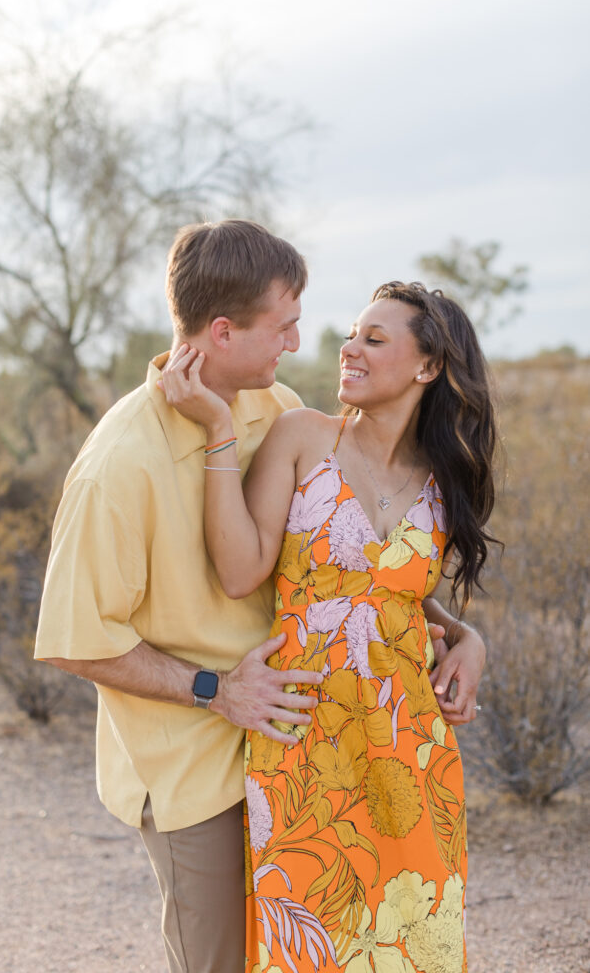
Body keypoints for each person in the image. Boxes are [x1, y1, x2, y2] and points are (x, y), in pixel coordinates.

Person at [160, 280, 495, 973]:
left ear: (428, 367)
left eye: (374, 339)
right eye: (351, 334)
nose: (349, 348)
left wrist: (471, 638)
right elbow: (240, 571)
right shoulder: (303, 436)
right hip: (304, 742)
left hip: (410, 748)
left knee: (415, 943)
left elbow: (393, 595)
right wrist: (219, 430)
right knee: (305, 946)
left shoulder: (444, 479)